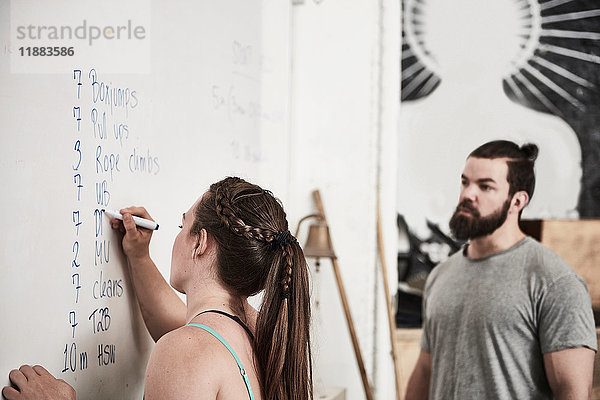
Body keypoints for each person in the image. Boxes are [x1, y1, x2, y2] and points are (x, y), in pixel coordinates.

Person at [3, 177, 313, 400]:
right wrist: (138, 256)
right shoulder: (262, 331)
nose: (176, 236)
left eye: (182, 226)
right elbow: (179, 323)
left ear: (200, 242)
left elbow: (187, 346)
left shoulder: (188, 350)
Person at [405, 140, 597, 400]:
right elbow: (426, 371)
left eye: (485, 186)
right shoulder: (441, 275)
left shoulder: (554, 282)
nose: (468, 195)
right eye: (465, 182)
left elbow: (573, 392)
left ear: (517, 201)